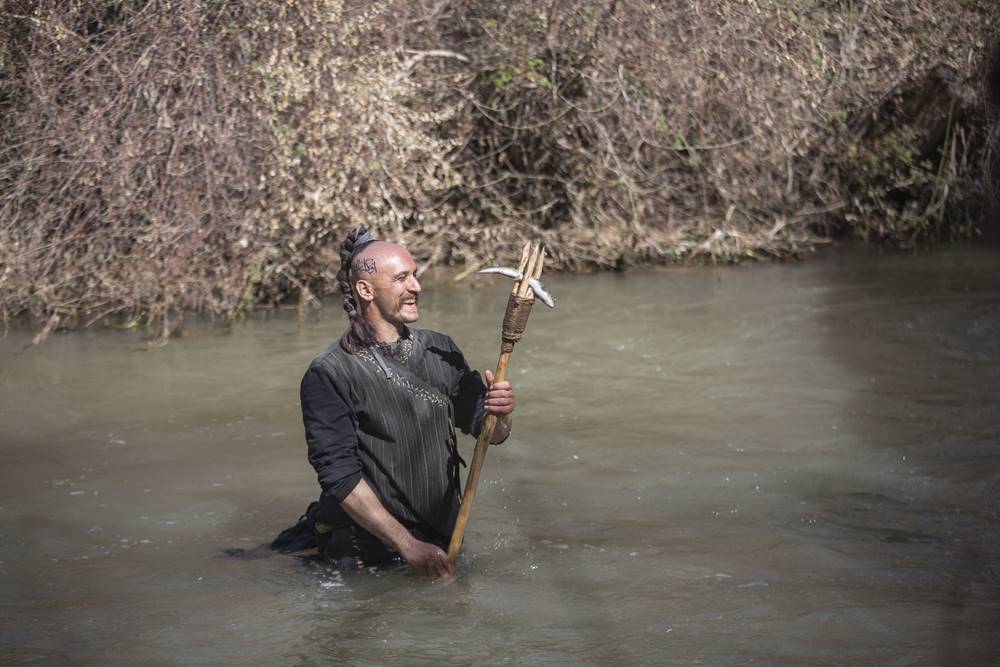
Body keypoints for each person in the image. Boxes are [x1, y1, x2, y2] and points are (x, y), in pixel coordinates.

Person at [277, 227, 515, 578]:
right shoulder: (329, 372)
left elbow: (488, 431)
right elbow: (339, 478)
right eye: (402, 278)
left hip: (441, 539)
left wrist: (502, 412)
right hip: (364, 551)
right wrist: (407, 545)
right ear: (365, 290)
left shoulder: (441, 349)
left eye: (415, 276)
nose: (416, 287)